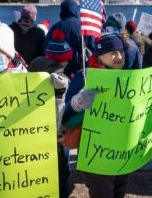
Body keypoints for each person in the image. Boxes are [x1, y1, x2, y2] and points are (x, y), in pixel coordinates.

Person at [61, 33, 129, 198]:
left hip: (122, 151)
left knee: (119, 192)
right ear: (100, 56)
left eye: (121, 51)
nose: (119, 56)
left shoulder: (130, 77)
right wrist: (78, 103)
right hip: (96, 153)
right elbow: (66, 120)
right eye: (113, 52)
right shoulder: (84, 77)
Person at [28, 29, 72, 198]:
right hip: (57, 138)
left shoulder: (34, 68)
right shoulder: (61, 80)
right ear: (65, 61)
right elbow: (61, 113)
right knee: (61, 174)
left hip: (34, 132)